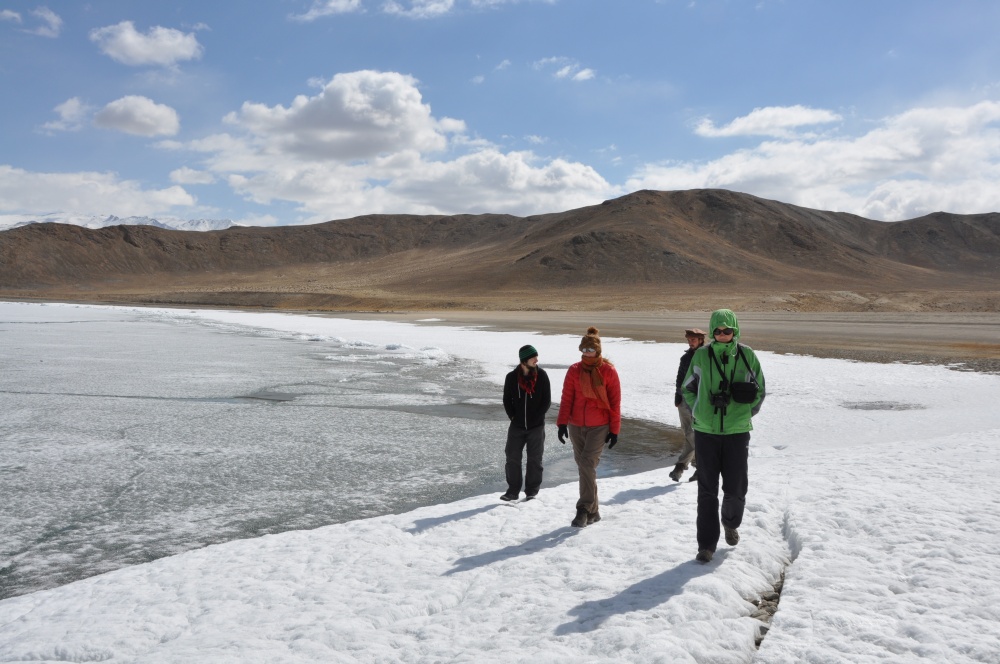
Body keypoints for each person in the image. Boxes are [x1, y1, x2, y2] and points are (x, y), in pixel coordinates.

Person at [681, 310, 765, 563]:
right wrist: (700, 412)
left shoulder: (747, 355)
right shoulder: (702, 355)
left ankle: (730, 523)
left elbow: (760, 390)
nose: (722, 335)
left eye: (727, 330)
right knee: (707, 490)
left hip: (737, 432)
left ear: (735, 331)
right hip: (706, 432)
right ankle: (706, 545)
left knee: (736, 487)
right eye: (717, 330)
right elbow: (688, 389)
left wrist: (742, 414)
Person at [557, 327, 621, 527]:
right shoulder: (574, 370)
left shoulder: (608, 371)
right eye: (583, 350)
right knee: (585, 468)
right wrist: (561, 423)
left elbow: (615, 402)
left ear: (598, 350)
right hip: (576, 425)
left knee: (586, 464)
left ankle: (583, 509)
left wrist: (614, 429)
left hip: (599, 426)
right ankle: (594, 512)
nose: (586, 353)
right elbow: (566, 398)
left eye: (590, 350)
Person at [501, 344, 551, 501]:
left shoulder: (542, 376)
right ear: (524, 360)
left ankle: (531, 491)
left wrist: (537, 417)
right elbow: (506, 400)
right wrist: (513, 417)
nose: (537, 359)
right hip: (517, 426)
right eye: (533, 357)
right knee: (512, 457)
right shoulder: (511, 377)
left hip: (536, 426)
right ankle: (512, 491)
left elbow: (546, 401)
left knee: (535, 459)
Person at [669, 328, 706, 482]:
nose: (691, 342)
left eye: (693, 339)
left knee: (695, 434)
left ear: (700, 340)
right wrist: (678, 396)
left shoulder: (706, 357)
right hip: (684, 400)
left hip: (699, 400)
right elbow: (680, 377)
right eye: (689, 339)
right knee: (688, 433)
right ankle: (696, 468)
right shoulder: (685, 358)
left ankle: (683, 466)